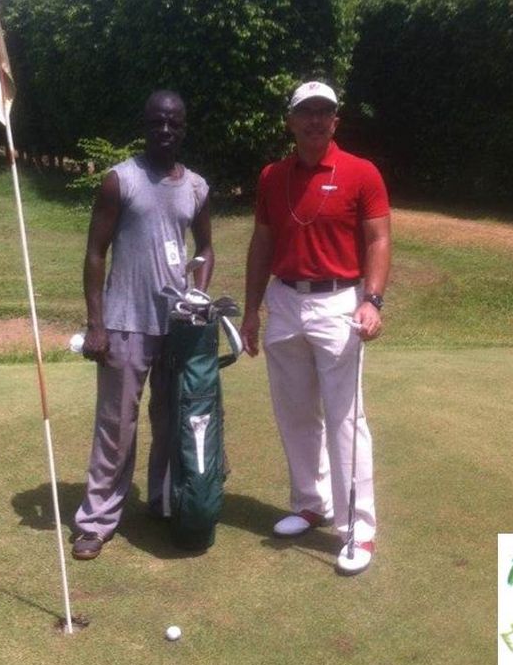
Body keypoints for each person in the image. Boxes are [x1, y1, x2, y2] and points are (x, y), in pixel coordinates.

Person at [241, 81, 390, 575]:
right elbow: (261, 244)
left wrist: (372, 300)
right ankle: (312, 503)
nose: (314, 121)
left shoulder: (361, 172)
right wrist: (251, 309)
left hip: (338, 303)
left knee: (346, 418)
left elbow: (378, 240)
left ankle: (358, 528)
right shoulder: (272, 176)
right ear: (290, 121)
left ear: (335, 121)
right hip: (284, 300)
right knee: (295, 412)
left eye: (323, 112)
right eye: (305, 113)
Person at [72, 89, 213, 559]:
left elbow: (206, 249)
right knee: (117, 426)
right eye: (157, 122)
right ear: (145, 125)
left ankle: (165, 502)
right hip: (124, 324)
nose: (165, 130)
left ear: (184, 128)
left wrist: (198, 291)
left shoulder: (196, 187)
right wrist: (97, 324)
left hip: (177, 326)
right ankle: (96, 520)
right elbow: (95, 253)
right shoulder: (120, 181)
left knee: (173, 422)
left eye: (174, 123)